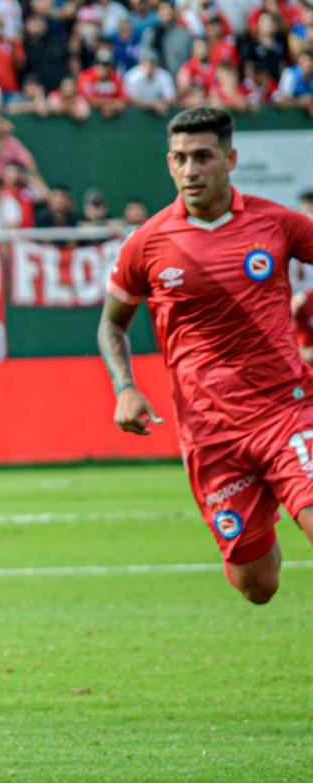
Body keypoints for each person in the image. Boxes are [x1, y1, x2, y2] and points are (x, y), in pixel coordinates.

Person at [98, 107, 313, 605]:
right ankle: (264, 513)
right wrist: (125, 388)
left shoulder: (276, 223)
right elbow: (112, 323)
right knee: (258, 586)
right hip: (211, 435)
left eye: (202, 157)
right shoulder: (148, 243)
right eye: (179, 159)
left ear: (230, 158)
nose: (190, 170)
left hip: (287, 412)